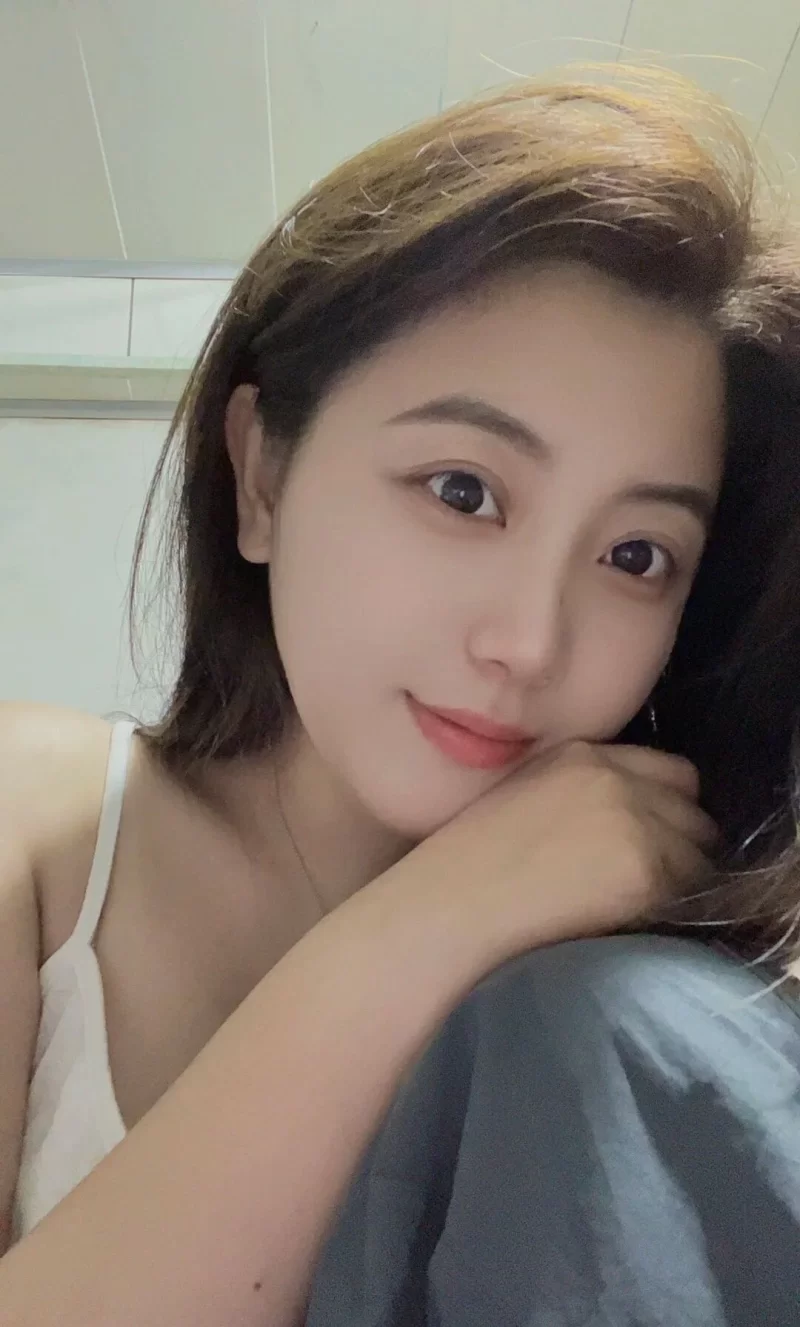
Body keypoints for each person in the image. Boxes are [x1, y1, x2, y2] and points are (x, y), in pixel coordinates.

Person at [0, 68, 799, 1325]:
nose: (528, 642)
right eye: (462, 491)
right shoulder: (40, 818)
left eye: (634, 555)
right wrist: (431, 918)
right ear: (262, 478)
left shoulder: (647, 987)